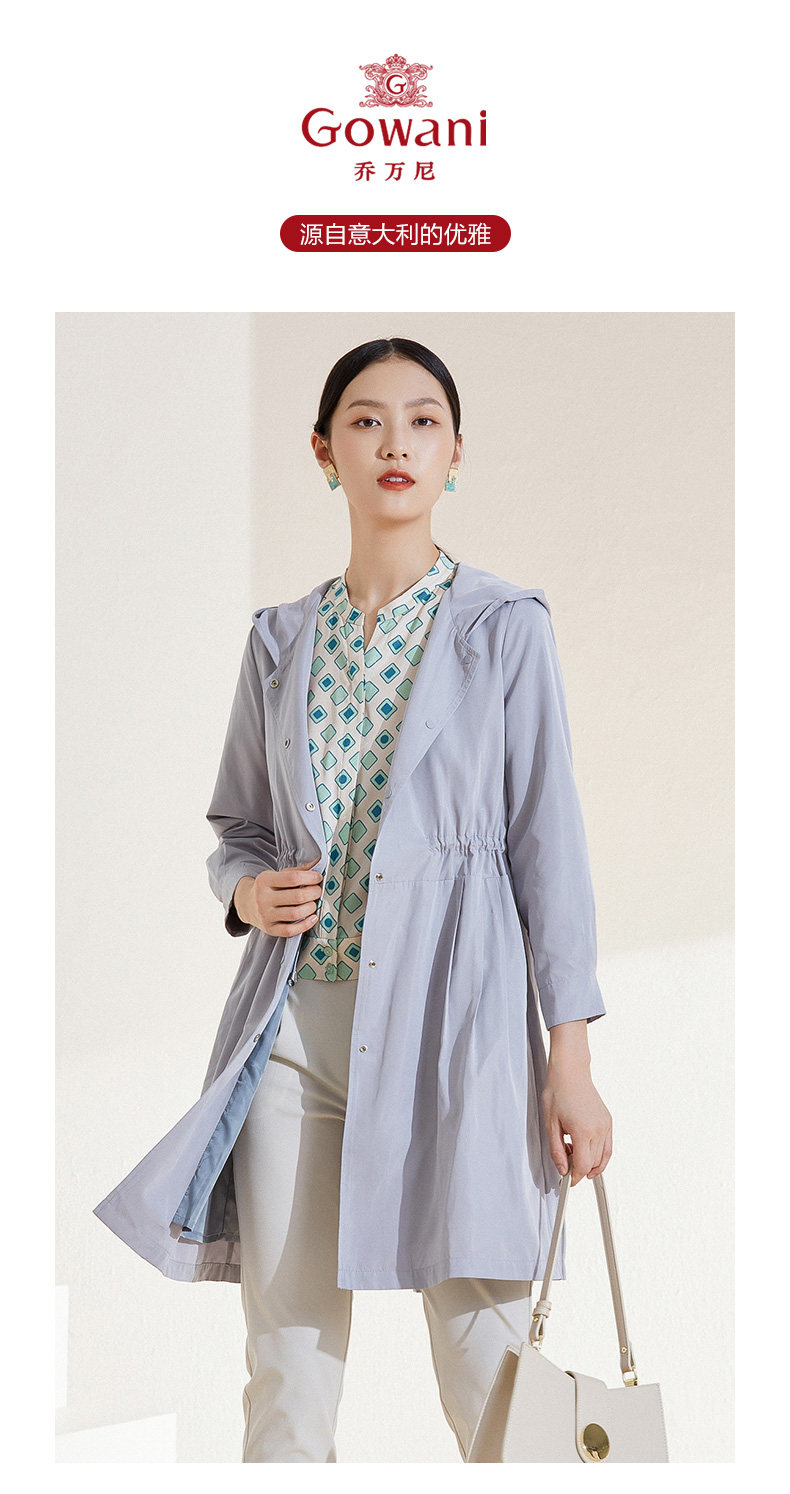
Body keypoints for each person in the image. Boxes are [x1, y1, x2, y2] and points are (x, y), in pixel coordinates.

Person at [226, 336, 613, 1461]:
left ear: (454, 451)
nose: (394, 441)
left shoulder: (504, 627)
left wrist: (570, 1058)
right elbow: (238, 826)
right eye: (365, 419)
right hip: (294, 1033)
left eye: (422, 419)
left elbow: (549, 846)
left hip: (458, 1021)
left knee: (490, 1367)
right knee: (286, 1372)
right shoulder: (278, 640)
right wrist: (247, 891)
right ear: (323, 451)